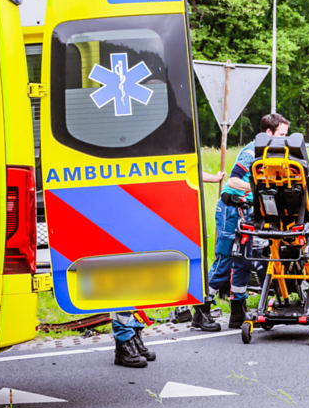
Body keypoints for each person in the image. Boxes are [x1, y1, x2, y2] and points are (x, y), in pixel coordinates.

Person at [113, 169, 226, 368]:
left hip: (145, 207)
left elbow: (182, 167)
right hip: (128, 205)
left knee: (140, 279)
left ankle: (134, 335)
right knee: (125, 279)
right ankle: (124, 342)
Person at [191, 113, 290, 332]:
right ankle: (201, 311)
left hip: (248, 212)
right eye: (282, 134)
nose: (285, 138)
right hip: (230, 209)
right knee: (225, 260)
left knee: (244, 261)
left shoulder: (273, 153)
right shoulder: (251, 151)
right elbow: (234, 180)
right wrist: (259, 187)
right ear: (269, 133)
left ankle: (237, 311)